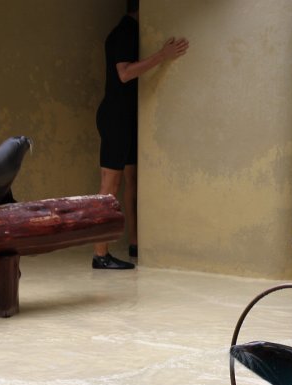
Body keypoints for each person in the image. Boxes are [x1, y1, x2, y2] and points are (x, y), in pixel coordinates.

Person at [93, 0, 188, 270]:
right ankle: (100, 254)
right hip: (115, 117)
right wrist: (162, 55)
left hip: (127, 117)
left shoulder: (133, 31)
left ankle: (135, 243)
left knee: (131, 179)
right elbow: (124, 74)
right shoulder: (123, 32)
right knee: (109, 187)